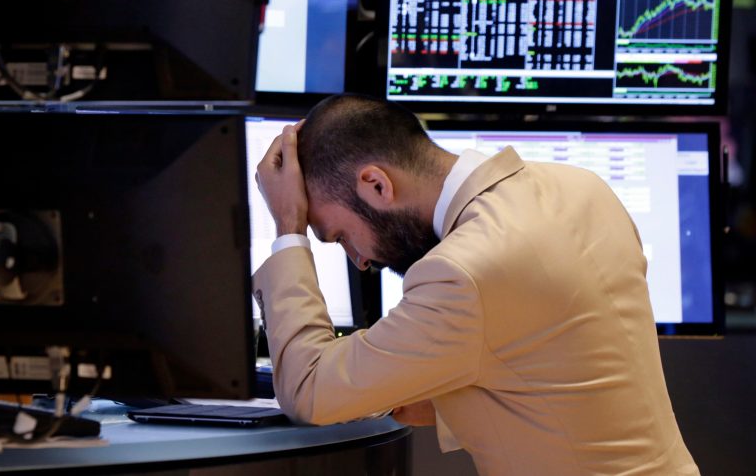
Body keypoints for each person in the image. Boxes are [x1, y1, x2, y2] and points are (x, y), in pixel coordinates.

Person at [253, 93, 699, 476]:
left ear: (376, 185)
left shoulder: (463, 272)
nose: (361, 260)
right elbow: (565, 372)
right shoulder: (580, 187)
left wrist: (288, 227)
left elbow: (309, 389)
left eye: (340, 236)